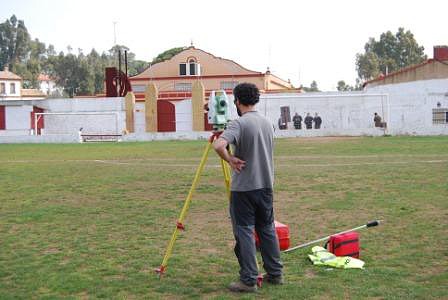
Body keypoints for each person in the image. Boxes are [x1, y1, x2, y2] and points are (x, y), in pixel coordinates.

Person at [213, 83, 283, 293]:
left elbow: (218, 145)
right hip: (266, 185)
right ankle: (275, 273)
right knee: (267, 229)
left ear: (237, 101)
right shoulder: (267, 123)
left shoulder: (239, 123)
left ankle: (249, 279)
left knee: (244, 231)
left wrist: (230, 159)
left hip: (244, 189)